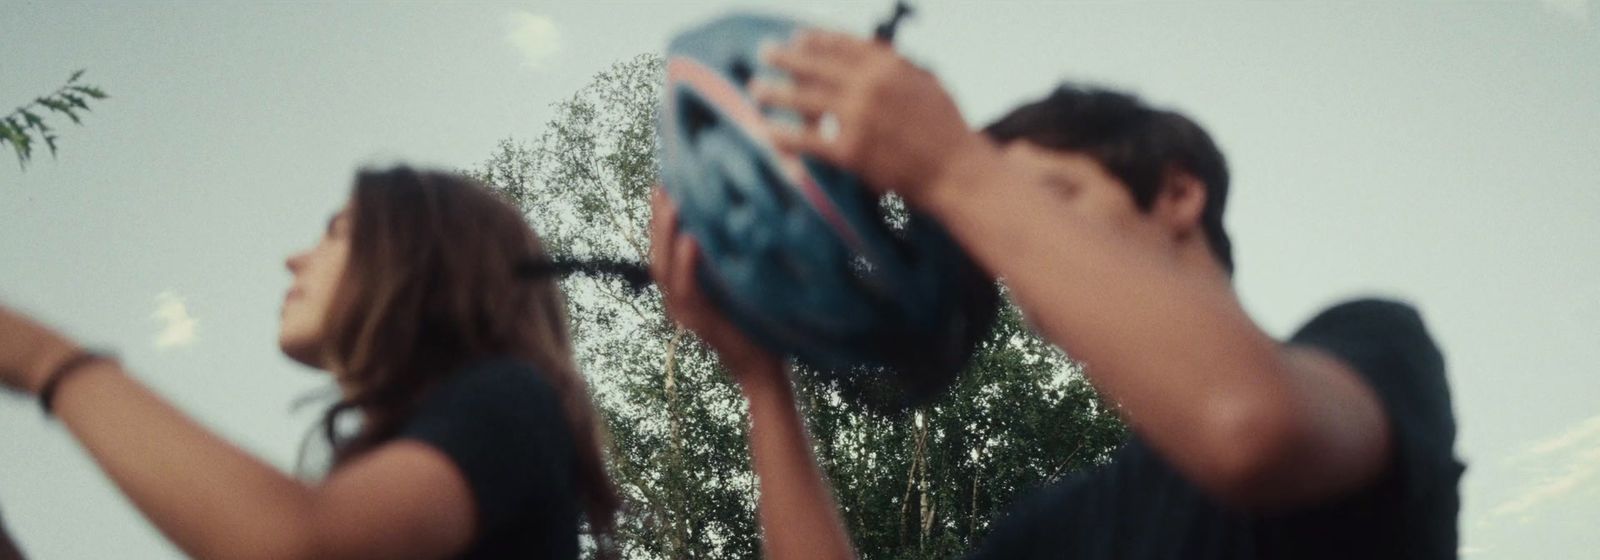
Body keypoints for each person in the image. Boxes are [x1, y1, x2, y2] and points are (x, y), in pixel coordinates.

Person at [649, 30, 1462, 559]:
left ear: (1178, 195)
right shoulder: (1066, 527)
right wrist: (761, 382)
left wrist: (952, 171)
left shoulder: (1373, 346)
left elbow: (1244, 421)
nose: (1013, 257)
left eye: (1050, 202)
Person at [0, 167, 619, 559]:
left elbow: (301, 546)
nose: (295, 260)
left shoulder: (511, 400)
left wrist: (41, 358)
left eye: (338, 232)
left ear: (424, 262)